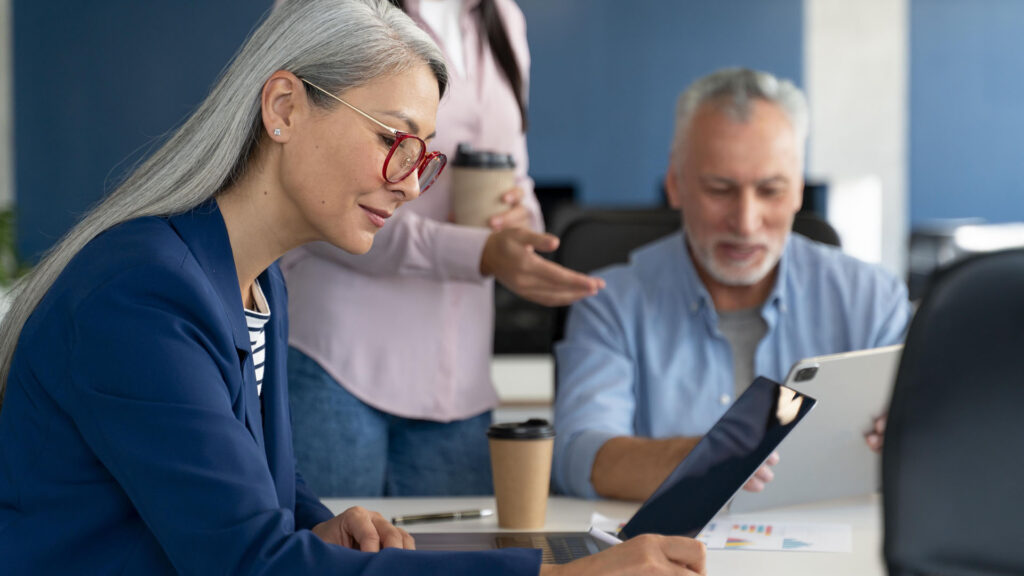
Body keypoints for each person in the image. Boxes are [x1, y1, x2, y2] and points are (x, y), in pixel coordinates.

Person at [0, 1, 704, 573]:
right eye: (393, 138)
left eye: (425, 157)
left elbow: (253, 502)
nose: (410, 183)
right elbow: (255, 565)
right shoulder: (143, 295)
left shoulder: (260, 284)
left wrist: (317, 525)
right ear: (283, 107)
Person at [281, 0, 600, 498]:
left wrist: (521, 222)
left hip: (459, 387)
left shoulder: (505, 22)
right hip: (337, 367)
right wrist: (478, 254)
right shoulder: (339, 9)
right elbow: (323, 198)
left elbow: (514, 174)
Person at [552, 68, 913, 501]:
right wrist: (707, 459)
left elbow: (931, 443)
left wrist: (913, 440)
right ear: (675, 183)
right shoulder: (608, 303)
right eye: (720, 189)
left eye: (771, 190)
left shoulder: (873, 300)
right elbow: (578, 459)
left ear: (798, 189)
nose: (745, 222)